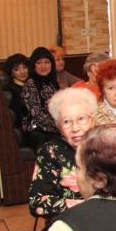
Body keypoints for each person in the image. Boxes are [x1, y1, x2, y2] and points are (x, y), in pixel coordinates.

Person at [28, 87, 97, 218]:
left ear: (92, 120)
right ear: (59, 126)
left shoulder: (107, 144)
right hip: (70, 221)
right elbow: (36, 202)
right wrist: (87, 206)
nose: (75, 128)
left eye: (81, 119)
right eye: (66, 122)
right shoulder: (51, 151)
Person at [21, 47, 60, 150]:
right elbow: (37, 115)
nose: (43, 66)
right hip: (37, 130)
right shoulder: (30, 84)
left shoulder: (52, 82)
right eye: (39, 63)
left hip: (54, 127)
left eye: (47, 62)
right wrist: (59, 127)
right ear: (33, 65)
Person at [3, 52, 30, 129]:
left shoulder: (30, 85)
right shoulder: (13, 90)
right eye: (16, 69)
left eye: (24, 67)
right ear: (11, 73)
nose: (22, 72)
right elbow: (20, 116)